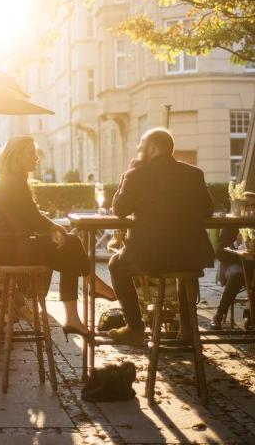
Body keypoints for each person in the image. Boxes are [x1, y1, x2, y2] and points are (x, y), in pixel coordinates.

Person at [0, 135, 115, 339]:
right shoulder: (12, 182)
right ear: (17, 156)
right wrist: (56, 228)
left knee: (69, 253)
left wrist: (51, 231)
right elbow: (31, 218)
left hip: (11, 247)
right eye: (31, 152)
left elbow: (27, 217)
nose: (36, 157)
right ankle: (90, 284)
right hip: (10, 250)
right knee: (71, 242)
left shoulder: (12, 180)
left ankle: (77, 311)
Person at [108, 128, 214, 345]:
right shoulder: (194, 174)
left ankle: (135, 329)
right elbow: (207, 211)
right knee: (185, 273)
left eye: (140, 148)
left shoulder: (136, 174)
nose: (139, 152)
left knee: (115, 264)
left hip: (151, 256)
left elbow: (118, 209)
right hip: (191, 255)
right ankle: (187, 330)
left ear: (152, 148)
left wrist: (129, 171)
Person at [210, 190, 255, 329]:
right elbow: (220, 253)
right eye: (246, 206)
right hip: (233, 263)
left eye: (253, 206)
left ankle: (250, 313)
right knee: (237, 275)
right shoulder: (232, 223)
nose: (250, 210)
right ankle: (219, 314)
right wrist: (236, 245)